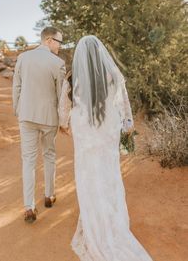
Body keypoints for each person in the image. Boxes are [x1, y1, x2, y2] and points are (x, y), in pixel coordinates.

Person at [59, 35, 153, 261]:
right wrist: (127, 124)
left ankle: (94, 220)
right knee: (109, 175)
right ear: (100, 52)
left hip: (84, 132)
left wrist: (66, 126)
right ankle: (113, 220)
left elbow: (63, 109)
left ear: (81, 54)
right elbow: (124, 104)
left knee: (88, 176)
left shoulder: (72, 78)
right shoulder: (112, 75)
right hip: (107, 131)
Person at [12, 26, 66, 223]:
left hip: (26, 115)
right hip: (49, 117)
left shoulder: (23, 58)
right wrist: (63, 120)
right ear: (50, 40)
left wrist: (17, 109)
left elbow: (16, 85)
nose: (60, 46)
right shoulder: (58, 63)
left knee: (28, 160)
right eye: (59, 42)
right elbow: (61, 95)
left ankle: (29, 206)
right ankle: (49, 196)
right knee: (49, 155)